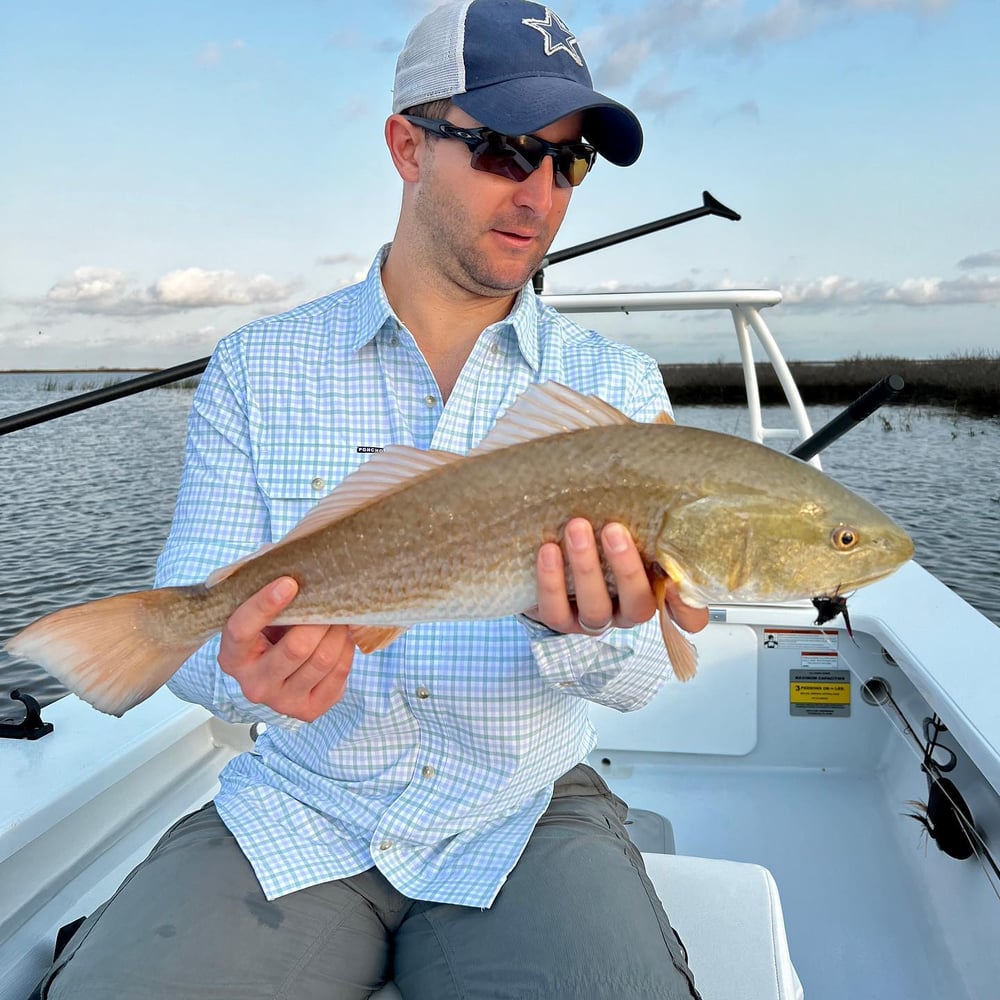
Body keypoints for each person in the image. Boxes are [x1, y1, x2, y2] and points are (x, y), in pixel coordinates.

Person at [39, 2, 708, 997]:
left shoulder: (616, 387)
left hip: (526, 807)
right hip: (301, 801)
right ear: (407, 145)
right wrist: (242, 668)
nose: (540, 194)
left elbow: (646, 677)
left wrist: (596, 629)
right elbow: (191, 617)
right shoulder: (255, 367)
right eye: (505, 149)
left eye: (568, 163)